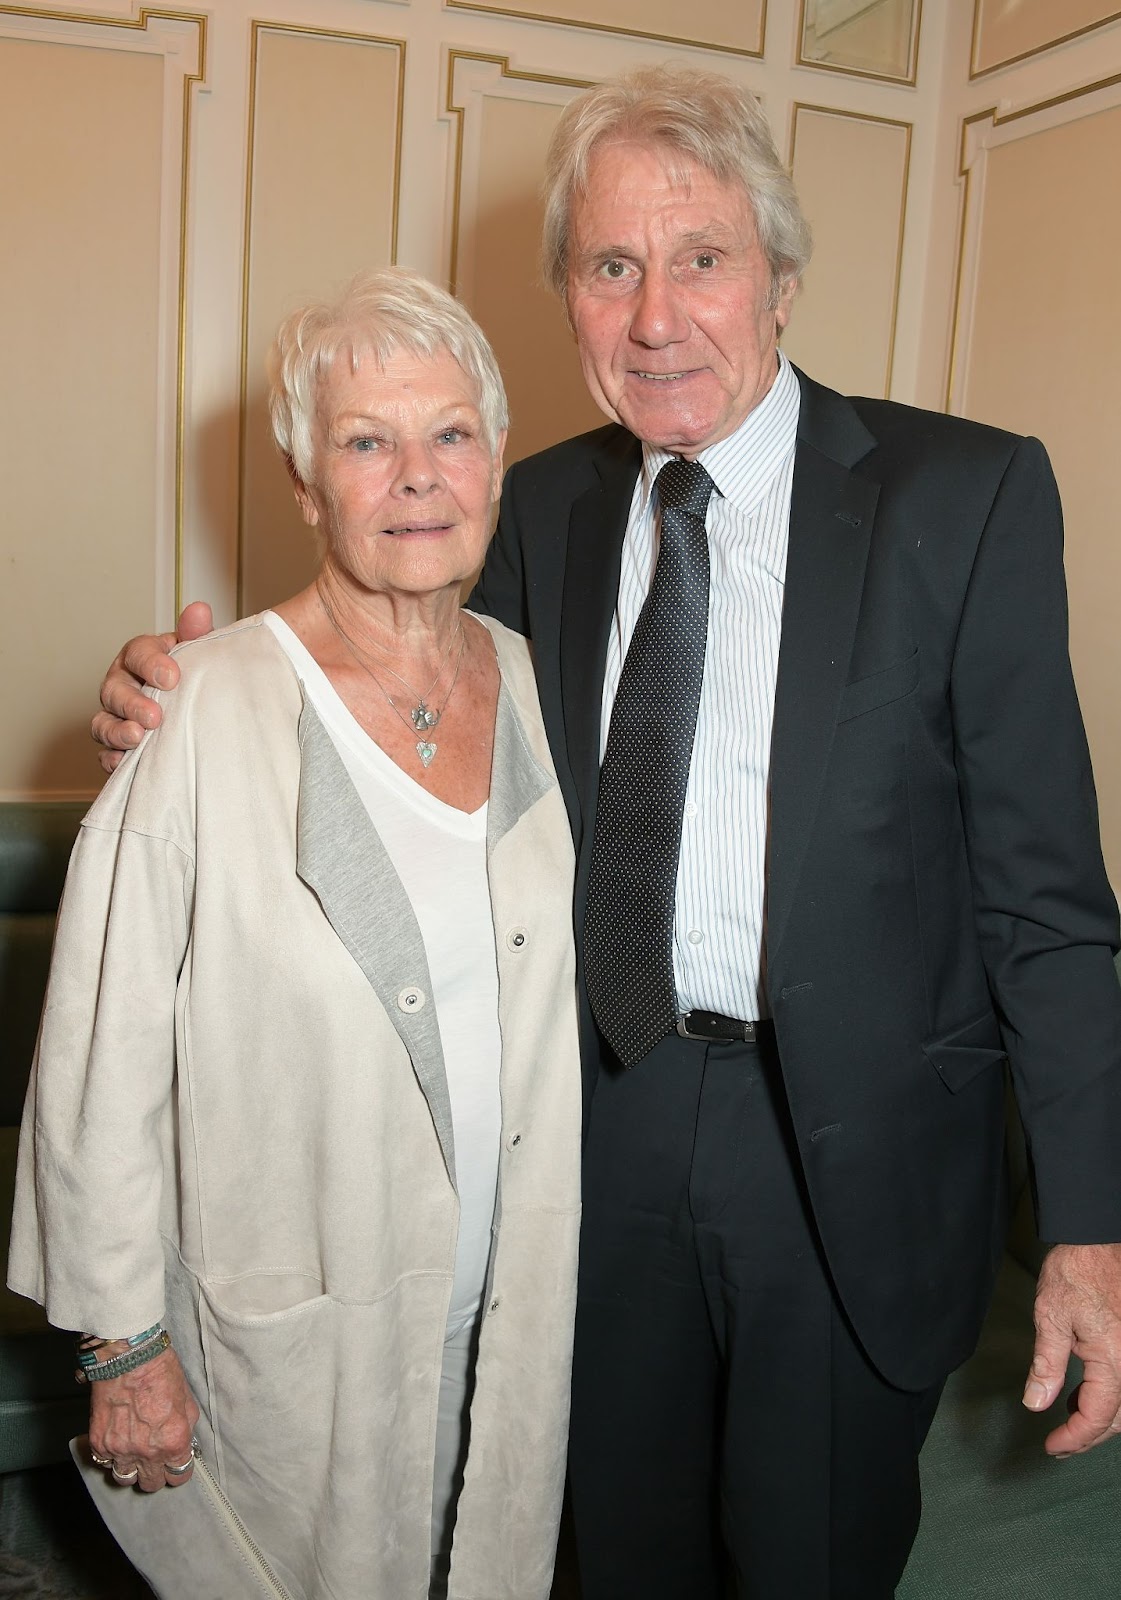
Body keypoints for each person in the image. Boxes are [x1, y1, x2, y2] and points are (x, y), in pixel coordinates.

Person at [91, 65, 1121, 1600]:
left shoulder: (959, 499)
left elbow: (1048, 906)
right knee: (600, 1551)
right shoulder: (535, 511)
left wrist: (1091, 1225)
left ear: (777, 274)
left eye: (700, 258)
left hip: (848, 1151)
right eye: (610, 266)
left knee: (810, 1560)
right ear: (567, 298)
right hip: (592, 1125)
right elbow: (374, 672)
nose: (656, 317)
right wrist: (172, 690)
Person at [10, 267, 581, 1600]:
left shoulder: (556, 695)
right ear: (305, 485)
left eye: (449, 434)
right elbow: (99, 1057)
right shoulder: (197, 715)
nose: (416, 476)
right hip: (300, 1324)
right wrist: (119, 1345)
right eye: (365, 442)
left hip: (518, 1306)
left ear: (494, 463)